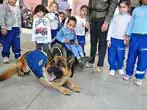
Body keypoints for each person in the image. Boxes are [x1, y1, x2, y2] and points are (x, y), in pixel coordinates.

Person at [87, 0, 118, 72]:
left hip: (103, 19)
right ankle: (91, 61)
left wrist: (107, 22)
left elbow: (112, 6)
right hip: (93, 18)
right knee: (93, 42)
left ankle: (100, 64)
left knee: (102, 43)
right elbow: (90, 5)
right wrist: (88, 19)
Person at [123, 0, 147, 86]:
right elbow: (132, 22)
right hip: (134, 36)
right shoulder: (136, 10)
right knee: (131, 56)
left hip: (145, 38)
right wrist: (127, 34)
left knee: (143, 58)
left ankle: (139, 77)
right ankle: (128, 73)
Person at [107, 1, 131, 76]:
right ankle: (112, 68)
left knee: (120, 55)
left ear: (128, 8)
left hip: (122, 40)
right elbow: (110, 28)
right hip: (113, 39)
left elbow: (129, 29)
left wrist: (127, 39)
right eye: (120, 7)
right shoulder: (115, 17)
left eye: (124, 7)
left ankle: (120, 67)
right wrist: (108, 39)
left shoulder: (130, 18)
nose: (122, 9)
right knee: (111, 55)